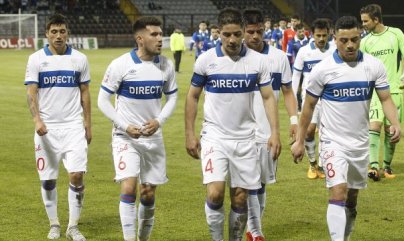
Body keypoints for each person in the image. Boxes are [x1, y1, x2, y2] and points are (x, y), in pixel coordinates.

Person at [291, 15, 401, 241]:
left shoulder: (373, 66)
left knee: (351, 199)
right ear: (335, 38)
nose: (350, 45)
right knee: (338, 191)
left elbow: (386, 99)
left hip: (360, 145)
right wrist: (300, 140)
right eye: (344, 40)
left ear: (360, 36)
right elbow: (309, 107)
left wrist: (395, 123)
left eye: (354, 39)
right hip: (333, 143)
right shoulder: (323, 70)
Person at [185, 8, 281, 241]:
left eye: (237, 34)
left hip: (246, 139)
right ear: (219, 33)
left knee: (240, 197)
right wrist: (189, 133)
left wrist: (275, 132)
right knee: (216, 192)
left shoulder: (258, 62)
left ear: (242, 32)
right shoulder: (206, 60)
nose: (232, 40)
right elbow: (193, 96)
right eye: (227, 35)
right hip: (214, 138)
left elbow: (268, 97)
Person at [97, 16, 178, 241]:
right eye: (154, 34)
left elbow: (172, 98)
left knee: (148, 194)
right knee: (129, 187)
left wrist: (159, 121)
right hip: (126, 137)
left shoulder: (166, 65)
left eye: (161, 34)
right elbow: (102, 101)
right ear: (140, 39)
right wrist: (124, 125)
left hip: (153, 139)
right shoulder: (120, 65)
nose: (160, 39)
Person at [25, 13, 91, 241]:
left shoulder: (80, 59)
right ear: (47, 34)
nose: (58, 35)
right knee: (48, 179)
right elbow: (31, 93)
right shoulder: (36, 59)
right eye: (54, 31)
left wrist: (87, 124)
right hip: (47, 129)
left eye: (62, 31)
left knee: (77, 175)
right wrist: (37, 121)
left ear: (68, 33)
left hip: (73, 126)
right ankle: (54, 223)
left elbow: (85, 92)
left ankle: (73, 226)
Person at [242, 9, 298, 241]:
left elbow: (287, 91)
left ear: (265, 29)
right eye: (250, 32)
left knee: (262, 183)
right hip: (241, 132)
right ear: (243, 31)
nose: (255, 36)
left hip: (268, 131)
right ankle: (256, 231)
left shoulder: (278, 57)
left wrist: (294, 120)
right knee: (249, 183)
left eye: (259, 31)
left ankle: (252, 225)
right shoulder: (234, 58)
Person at [360, 4, 404, 180]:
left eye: (366, 21)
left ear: (376, 19)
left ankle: (387, 167)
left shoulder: (395, 33)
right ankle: (373, 167)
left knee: (392, 130)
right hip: (374, 91)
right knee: (374, 126)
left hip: (394, 91)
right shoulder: (365, 42)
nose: (364, 24)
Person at [291, 18, 335, 179]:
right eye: (318, 36)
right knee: (309, 131)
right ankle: (312, 163)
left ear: (329, 33)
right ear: (312, 35)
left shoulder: (334, 50)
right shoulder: (304, 51)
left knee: (326, 132)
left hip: (330, 97)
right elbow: (296, 75)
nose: (322, 39)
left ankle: (323, 166)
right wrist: (294, 97)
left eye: (324, 35)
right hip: (310, 98)